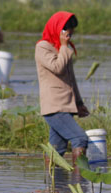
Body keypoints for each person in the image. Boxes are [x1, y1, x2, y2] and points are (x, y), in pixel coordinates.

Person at [35, 11, 90, 164]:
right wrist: (64, 47)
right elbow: (57, 68)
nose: (69, 36)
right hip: (54, 107)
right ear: (58, 29)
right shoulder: (43, 47)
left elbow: (71, 79)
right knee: (80, 138)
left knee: (56, 149)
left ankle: (54, 186)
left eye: (71, 33)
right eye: (67, 31)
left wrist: (79, 103)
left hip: (66, 105)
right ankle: (79, 180)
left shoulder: (62, 49)